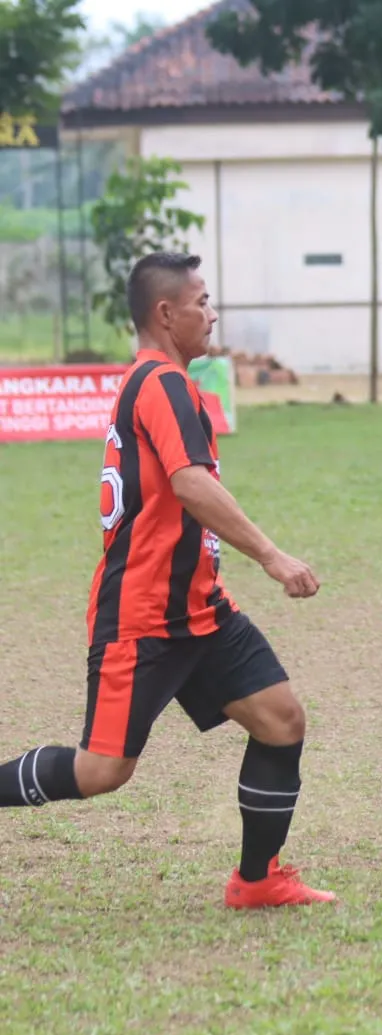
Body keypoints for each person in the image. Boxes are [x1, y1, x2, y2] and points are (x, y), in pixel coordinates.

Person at [0, 252, 335, 909]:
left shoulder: (157, 382)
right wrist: (273, 556)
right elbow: (189, 483)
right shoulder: (163, 384)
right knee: (102, 772)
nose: (211, 315)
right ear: (166, 313)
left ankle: (258, 878)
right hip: (145, 612)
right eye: (202, 302)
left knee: (280, 719)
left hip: (201, 608)